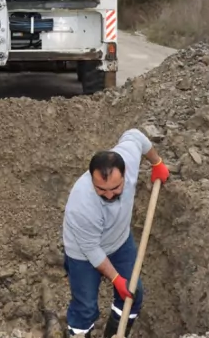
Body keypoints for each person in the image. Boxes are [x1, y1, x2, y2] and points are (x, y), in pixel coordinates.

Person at [61, 128, 171, 337]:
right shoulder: (82, 204)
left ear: (125, 174)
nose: (109, 195)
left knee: (133, 295)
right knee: (85, 309)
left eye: (115, 188)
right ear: (92, 180)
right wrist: (115, 279)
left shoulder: (127, 158)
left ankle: (116, 334)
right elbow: (91, 250)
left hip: (119, 241)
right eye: (101, 190)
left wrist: (156, 162)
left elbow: (136, 136)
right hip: (83, 253)